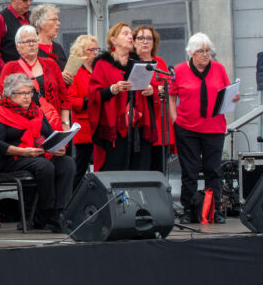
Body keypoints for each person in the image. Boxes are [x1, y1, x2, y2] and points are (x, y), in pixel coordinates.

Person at [0, 73, 74, 232]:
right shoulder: (1, 113)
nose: (27, 97)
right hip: (10, 158)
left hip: (36, 154)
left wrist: (58, 147)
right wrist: (23, 152)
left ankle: (59, 213)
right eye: (22, 93)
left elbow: (50, 135)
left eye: (29, 93)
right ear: (10, 94)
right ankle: (43, 214)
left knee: (67, 163)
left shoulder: (37, 112)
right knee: (44, 165)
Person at [170, 33, 237, 223]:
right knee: (189, 171)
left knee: (213, 170)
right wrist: (175, 120)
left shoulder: (219, 69)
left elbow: (226, 92)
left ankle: (213, 209)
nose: (205, 55)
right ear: (191, 53)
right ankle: (188, 210)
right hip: (187, 128)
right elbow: (172, 96)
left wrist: (234, 97)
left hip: (214, 127)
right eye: (201, 51)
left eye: (208, 51)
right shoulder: (180, 70)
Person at [89, 22, 153, 172]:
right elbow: (94, 95)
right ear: (113, 40)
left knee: (138, 168)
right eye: (125, 33)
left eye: (131, 34)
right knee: (116, 168)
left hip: (137, 125)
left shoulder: (139, 63)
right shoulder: (102, 64)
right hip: (114, 127)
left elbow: (147, 89)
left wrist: (150, 90)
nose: (130, 37)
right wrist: (113, 89)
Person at [0, 25, 72, 131]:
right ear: (17, 47)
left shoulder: (51, 64)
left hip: (52, 124)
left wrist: (65, 123)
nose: (31, 44)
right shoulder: (11, 67)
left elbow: (64, 96)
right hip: (23, 126)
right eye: (27, 41)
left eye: (34, 40)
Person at [133, 25, 174, 173]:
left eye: (149, 38)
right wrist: (156, 90)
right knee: (143, 168)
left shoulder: (159, 62)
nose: (145, 41)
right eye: (141, 38)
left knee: (159, 167)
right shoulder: (131, 62)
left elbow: (167, 84)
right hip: (141, 123)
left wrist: (157, 90)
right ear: (134, 41)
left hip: (160, 121)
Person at [67, 34, 100, 188]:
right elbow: (71, 100)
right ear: (82, 51)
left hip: (100, 124)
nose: (95, 52)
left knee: (100, 166)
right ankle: (72, 200)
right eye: (91, 49)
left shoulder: (98, 70)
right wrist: (90, 102)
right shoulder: (75, 72)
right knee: (80, 167)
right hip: (85, 126)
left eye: (96, 49)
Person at [0, 0, 33, 79]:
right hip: (11, 77)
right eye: (25, 0)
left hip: (32, 74)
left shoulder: (32, 17)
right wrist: (7, 72)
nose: (29, 3)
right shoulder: (0, 19)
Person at [30, 3, 70, 82]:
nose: (58, 23)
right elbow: (31, 77)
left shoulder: (58, 48)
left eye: (58, 20)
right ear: (41, 24)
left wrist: (68, 80)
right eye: (54, 20)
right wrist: (58, 76)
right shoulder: (31, 48)